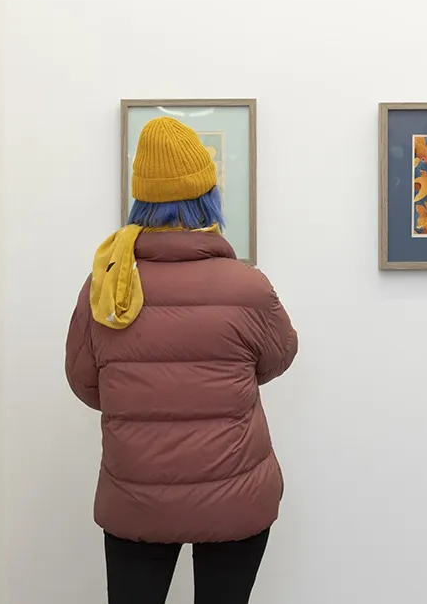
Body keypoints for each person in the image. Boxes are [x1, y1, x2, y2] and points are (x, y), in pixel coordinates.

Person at [65, 116, 299, 604]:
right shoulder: (247, 286)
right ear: (209, 198)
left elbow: (86, 383)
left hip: (137, 497)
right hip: (236, 495)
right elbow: (277, 359)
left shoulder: (108, 286)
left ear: (139, 200)